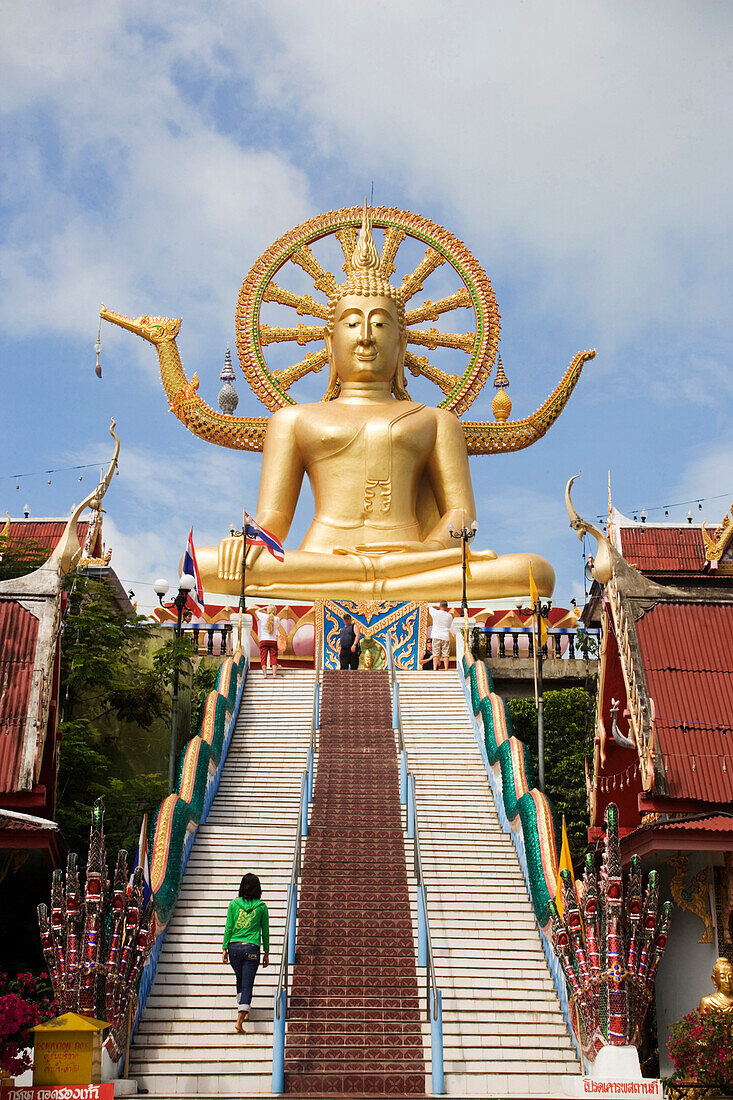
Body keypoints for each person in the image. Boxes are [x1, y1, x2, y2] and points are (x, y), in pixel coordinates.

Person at [222, 873, 270, 1032]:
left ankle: (245, 1009)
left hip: (234, 947)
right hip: (252, 948)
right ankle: (239, 1021)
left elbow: (229, 927)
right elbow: (265, 931)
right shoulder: (261, 907)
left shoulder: (233, 904)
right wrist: (267, 952)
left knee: (240, 978)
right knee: (248, 983)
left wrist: (224, 948)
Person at [255, 604, 285, 677]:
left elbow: (256, 611)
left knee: (263, 657)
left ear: (268, 610)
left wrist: (265, 607)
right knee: (273, 657)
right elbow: (277, 627)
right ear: (275, 611)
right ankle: (274, 675)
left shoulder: (263, 616)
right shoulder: (277, 619)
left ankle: (265, 674)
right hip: (273, 640)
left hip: (263, 640)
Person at [429, 601, 454, 669]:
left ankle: (434, 668)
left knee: (435, 654)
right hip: (445, 635)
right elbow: (449, 626)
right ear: (447, 607)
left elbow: (430, 607)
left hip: (436, 635)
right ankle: (446, 668)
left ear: (440, 606)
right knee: (446, 654)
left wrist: (437, 607)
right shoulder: (449, 616)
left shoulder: (436, 613)